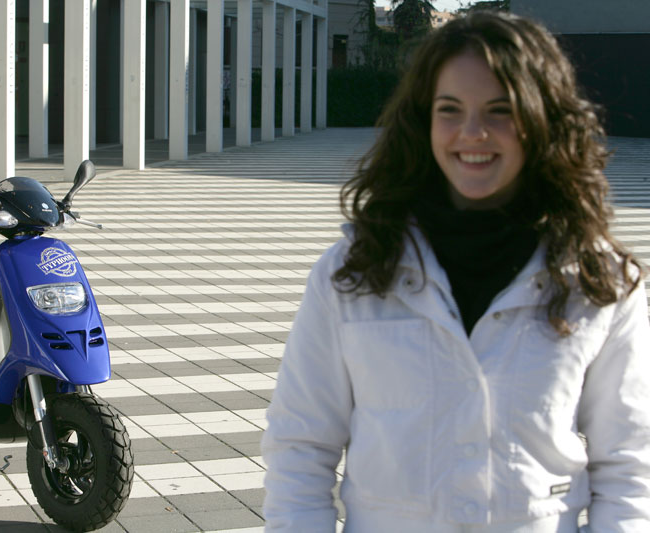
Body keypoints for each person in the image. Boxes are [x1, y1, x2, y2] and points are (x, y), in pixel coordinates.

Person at [262, 11, 650, 532]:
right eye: (450, 109)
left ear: (543, 120)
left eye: (500, 110)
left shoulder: (598, 280)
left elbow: (630, 466)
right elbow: (299, 448)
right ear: (422, 119)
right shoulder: (353, 272)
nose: (473, 133)